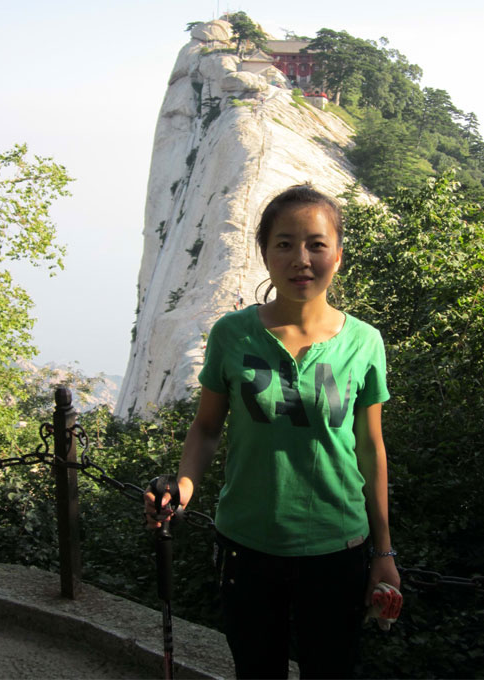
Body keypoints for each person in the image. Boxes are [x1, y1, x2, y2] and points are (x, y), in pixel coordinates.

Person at [145, 184, 400, 679]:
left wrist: (384, 551)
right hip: (247, 543)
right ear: (264, 254)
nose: (301, 259)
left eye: (316, 244)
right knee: (256, 671)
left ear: (338, 255)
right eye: (284, 244)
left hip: (338, 546)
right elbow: (206, 427)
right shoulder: (232, 334)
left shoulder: (365, 342)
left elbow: (371, 448)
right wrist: (184, 487)